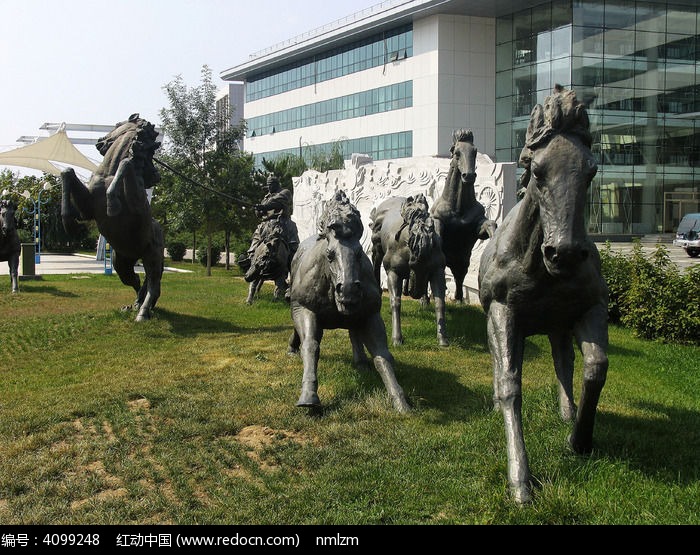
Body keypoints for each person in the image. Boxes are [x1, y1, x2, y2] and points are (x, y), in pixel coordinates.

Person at [246, 174, 299, 263]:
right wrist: (258, 210)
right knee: (256, 237)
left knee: (293, 244)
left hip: (282, 221)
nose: (269, 187)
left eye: (270, 185)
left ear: (276, 184)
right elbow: (260, 214)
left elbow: (276, 202)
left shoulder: (285, 192)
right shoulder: (266, 197)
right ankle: (251, 257)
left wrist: (264, 206)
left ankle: (293, 260)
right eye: (268, 185)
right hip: (266, 223)